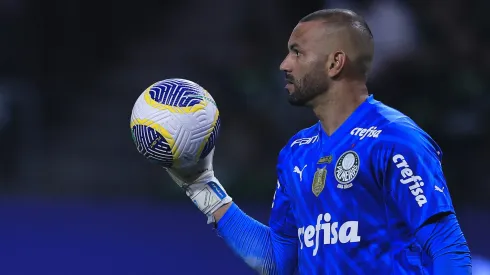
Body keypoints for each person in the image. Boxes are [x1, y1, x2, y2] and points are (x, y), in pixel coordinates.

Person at [166, 9, 472, 274]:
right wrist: (200, 186)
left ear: (335, 63)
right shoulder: (296, 153)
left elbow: (448, 248)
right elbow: (279, 261)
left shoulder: (394, 139)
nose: (284, 64)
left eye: (297, 52)